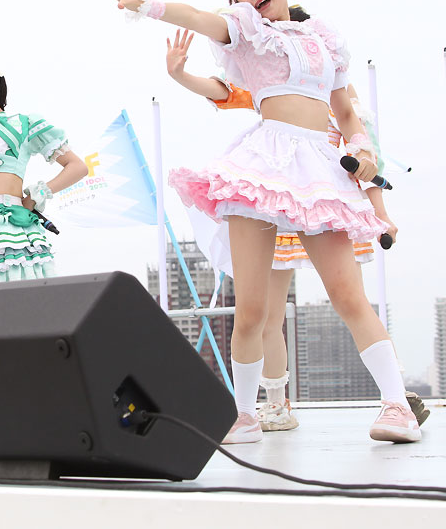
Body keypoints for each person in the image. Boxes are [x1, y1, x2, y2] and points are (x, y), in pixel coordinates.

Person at [98, 0, 420, 444]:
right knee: (251, 309)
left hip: (320, 170)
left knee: (348, 295)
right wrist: (140, 3)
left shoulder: (325, 40)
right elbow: (198, 18)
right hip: (264, 164)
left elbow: (346, 113)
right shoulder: (247, 32)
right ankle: (245, 415)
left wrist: (362, 150)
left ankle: (397, 406)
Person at [165, 29, 429, 431]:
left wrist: (380, 213)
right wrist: (181, 75)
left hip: (324, 200)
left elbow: (366, 162)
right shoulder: (274, 81)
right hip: (275, 201)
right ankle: (272, 405)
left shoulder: (341, 97)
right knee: (263, 313)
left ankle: (397, 398)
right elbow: (228, 91)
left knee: (349, 298)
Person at [0, 55, 87, 283]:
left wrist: (36, 195)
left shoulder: (25, 123)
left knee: (18, 297)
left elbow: (77, 167)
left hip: (13, 226)